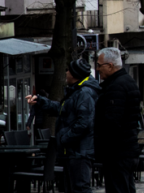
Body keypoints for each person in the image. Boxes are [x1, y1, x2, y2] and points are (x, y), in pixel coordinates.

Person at [26, 58, 99, 193]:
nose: (66, 73)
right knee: (71, 188)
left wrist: (64, 138)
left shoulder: (84, 93)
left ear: (75, 75)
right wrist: (40, 101)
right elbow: (61, 109)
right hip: (73, 151)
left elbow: (83, 123)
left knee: (80, 188)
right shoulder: (76, 91)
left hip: (79, 152)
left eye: (68, 70)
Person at [94, 47, 142, 193]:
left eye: (99, 65)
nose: (97, 69)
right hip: (127, 149)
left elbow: (112, 122)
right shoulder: (128, 82)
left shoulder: (116, 87)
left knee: (118, 188)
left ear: (110, 65)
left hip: (117, 152)